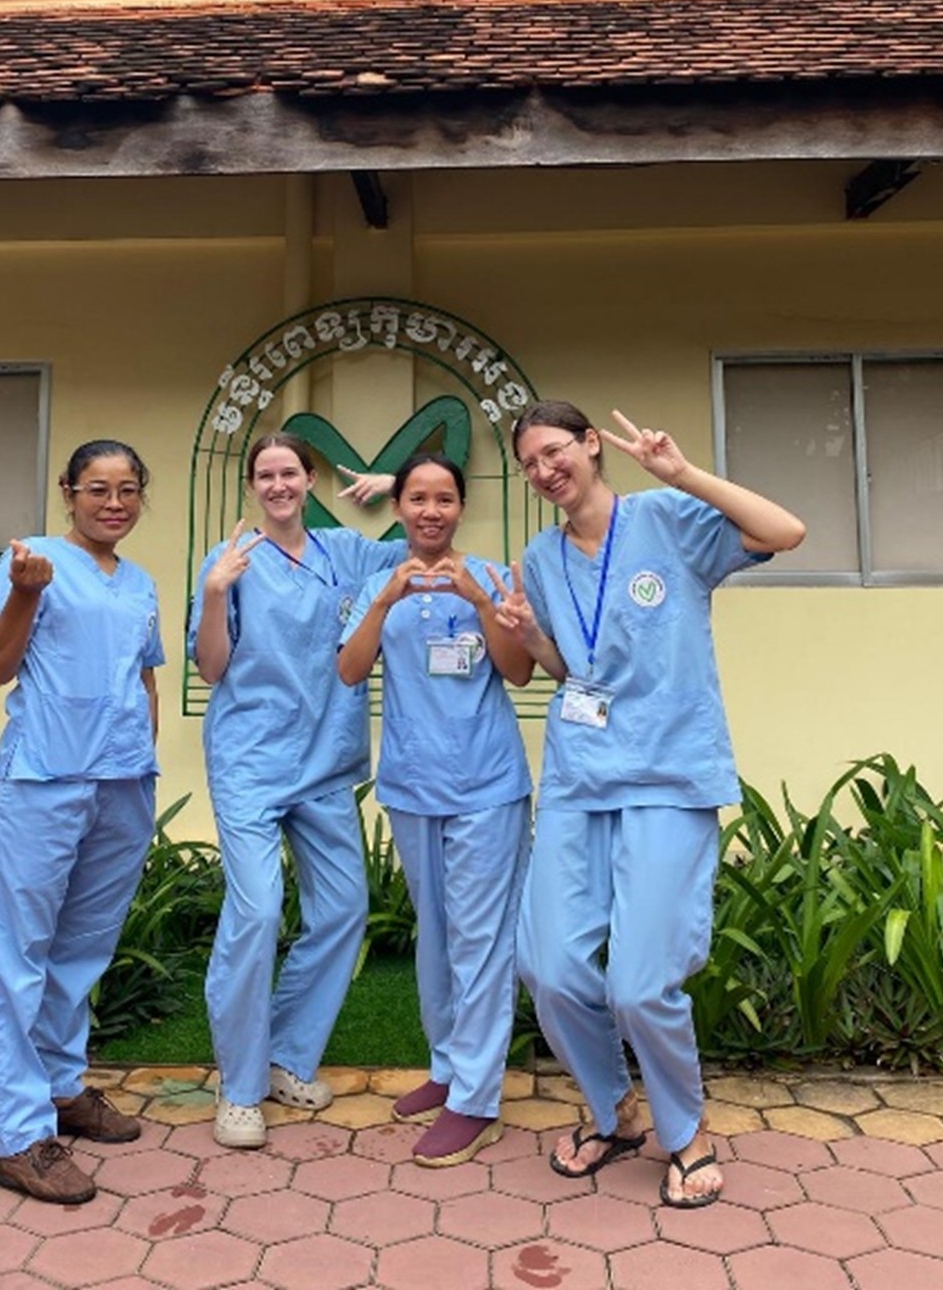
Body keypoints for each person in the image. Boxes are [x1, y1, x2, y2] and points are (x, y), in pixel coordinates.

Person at [498, 401, 804, 1209]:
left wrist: (683, 473)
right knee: (549, 965)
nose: (543, 470)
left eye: (553, 451)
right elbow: (571, 669)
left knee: (639, 983)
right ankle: (614, 1112)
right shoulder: (538, 554)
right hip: (578, 779)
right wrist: (528, 636)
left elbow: (785, 532)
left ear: (591, 446)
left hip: (668, 775)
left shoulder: (668, 517)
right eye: (528, 462)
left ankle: (685, 1130)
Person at [187, 432, 401, 1149]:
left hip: (323, 762)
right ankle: (240, 1089)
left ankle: (283, 1056)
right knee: (256, 913)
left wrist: (392, 482)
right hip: (250, 758)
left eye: (290, 473)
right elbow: (211, 668)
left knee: (342, 908)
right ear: (252, 486)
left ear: (309, 480)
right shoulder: (230, 563)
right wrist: (215, 595)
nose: (278, 485)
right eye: (265, 475)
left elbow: (424, 538)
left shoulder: (345, 553)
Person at [0, 439, 163, 1205]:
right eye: (96, 488)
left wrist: (145, 756)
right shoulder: (34, 562)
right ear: (68, 492)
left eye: (126, 489)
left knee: (81, 950)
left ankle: (58, 1087)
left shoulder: (141, 581)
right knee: (17, 953)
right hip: (45, 778)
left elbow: (143, 673)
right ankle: (18, 1137)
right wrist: (24, 594)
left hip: (121, 783)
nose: (112, 502)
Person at [338, 453, 534, 1167]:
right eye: (417, 498)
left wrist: (481, 604)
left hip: (485, 785)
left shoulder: (489, 577)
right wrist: (386, 598)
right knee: (438, 934)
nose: (429, 510)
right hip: (412, 785)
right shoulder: (375, 584)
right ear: (398, 509)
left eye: (443, 499)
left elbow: (518, 670)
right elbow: (349, 670)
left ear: (459, 507)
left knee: (482, 941)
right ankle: (448, 1067)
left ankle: (475, 1100)